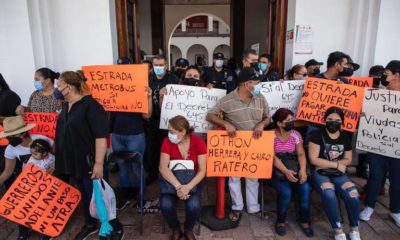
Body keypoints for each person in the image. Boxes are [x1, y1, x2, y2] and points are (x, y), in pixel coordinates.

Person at [53, 71, 123, 240]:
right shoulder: (66, 105)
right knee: (84, 194)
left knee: (99, 194)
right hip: (73, 161)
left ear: (68, 88)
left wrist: (98, 164)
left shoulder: (91, 106)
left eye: (59, 86)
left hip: (90, 162)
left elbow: (101, 137)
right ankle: (90, 223)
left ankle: (114, 227)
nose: (57, 89)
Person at [206, 67, 271, 221]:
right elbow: (210, 115)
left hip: (255, 144)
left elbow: (268, 116)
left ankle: (253, 207)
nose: (259, 84)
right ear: (245, 84)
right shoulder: (227, 100)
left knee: (253, 177)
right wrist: (226, 124)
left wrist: (262, 124)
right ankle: (237, 207)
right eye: (256, 81)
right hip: (235, 145)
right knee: (234, 177)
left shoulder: (260, 97)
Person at [308, 107, 361, 240]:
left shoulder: (344, 136)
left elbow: (348, 159)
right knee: (329, 193)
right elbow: (314, 159)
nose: (333, 122)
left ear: (342, 121)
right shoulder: (317, 134)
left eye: (337, 120)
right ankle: (338, 230)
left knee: (353, 194)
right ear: (324, 120)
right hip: (320, 172)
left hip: (338, 173)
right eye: (330, 119)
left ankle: (354, 230)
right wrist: (337, 164)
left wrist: (327, 162)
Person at [360, 60, 400, 227]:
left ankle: (396, 210)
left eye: (387, 73)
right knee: (375, 175)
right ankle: (369, 206)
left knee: (397, 178)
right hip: (376, 143)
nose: (384, 76)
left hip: (397, 146)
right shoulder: (376, 95)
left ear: (397, 75)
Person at [0, 116, 54, 240]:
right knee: (22, 204)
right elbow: (8, 171)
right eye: (9, 136)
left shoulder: (41, 140)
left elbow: (59, 157)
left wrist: (54, 171)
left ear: (23, 133)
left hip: (49, 178)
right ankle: (23, 230)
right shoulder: (10, 149)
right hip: (29, 180)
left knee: (46, 205)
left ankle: (47, 230)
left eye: (13, 136)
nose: (10, 139)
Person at [110, 58, 153, 210]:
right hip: (116, 134)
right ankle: (126, 197)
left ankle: (140, 199)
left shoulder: (140, 86)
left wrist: (148, 97)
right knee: (122, 167)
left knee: (137, 167)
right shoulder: (112, 86)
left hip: (135, 134)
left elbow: (147, 115)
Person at [159, 115, 206, 240]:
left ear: (183, 132)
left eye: (172, 132)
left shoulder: (199, 142)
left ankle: (188, 228)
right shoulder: (167, 142)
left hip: (192, 181)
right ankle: (176, 228)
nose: (169, 134)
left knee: (194, 206)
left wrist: (188, 187)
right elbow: (163, 167)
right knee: (165, 204)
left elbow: (202, 170)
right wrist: (179, 187)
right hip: (172, 181)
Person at [270, 108, 313, 237]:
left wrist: (303, 171)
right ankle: (281, 221)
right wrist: (286, 172)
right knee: (286, 192)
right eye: (288, 121)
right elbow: (273, 158)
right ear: (279, 123)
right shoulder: (271, 135)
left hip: (294, 167)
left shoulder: (295, 134)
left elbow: (300, 153)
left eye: (292, 120)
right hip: (277, 171)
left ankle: (304, 220)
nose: (291, 123)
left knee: (305, 189)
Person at [145, 55, 179, 184]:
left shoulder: (173, 79)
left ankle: (169, 173)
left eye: (161, 65)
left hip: (168, 121)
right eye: (156, 65)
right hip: (152, 119)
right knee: (152, 147)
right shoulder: (148, 79)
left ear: (166, 66)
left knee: (168, 147)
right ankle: (152, 173)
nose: (158, 68)